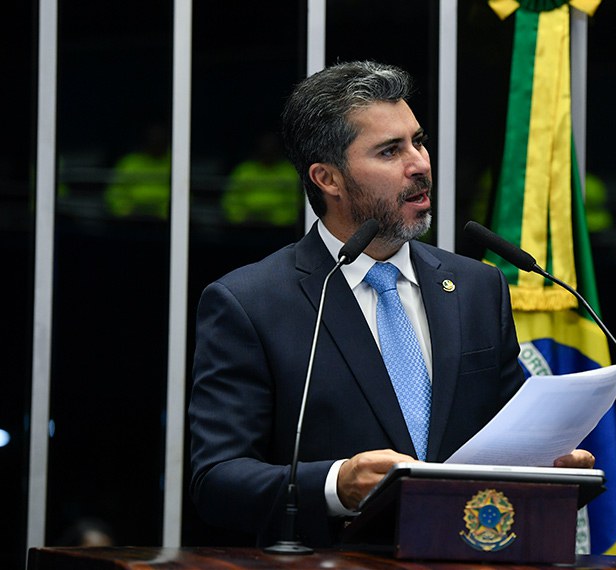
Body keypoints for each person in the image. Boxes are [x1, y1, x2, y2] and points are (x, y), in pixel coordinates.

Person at [188, 61, 595, 548]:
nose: (420, 163)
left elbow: (507, 441)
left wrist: (550, 468)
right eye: (389, 150)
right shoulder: (250, 303)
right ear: (328, 179)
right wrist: (336, 484)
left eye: (418, 141)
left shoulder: (478, 288)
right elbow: (216, 480)